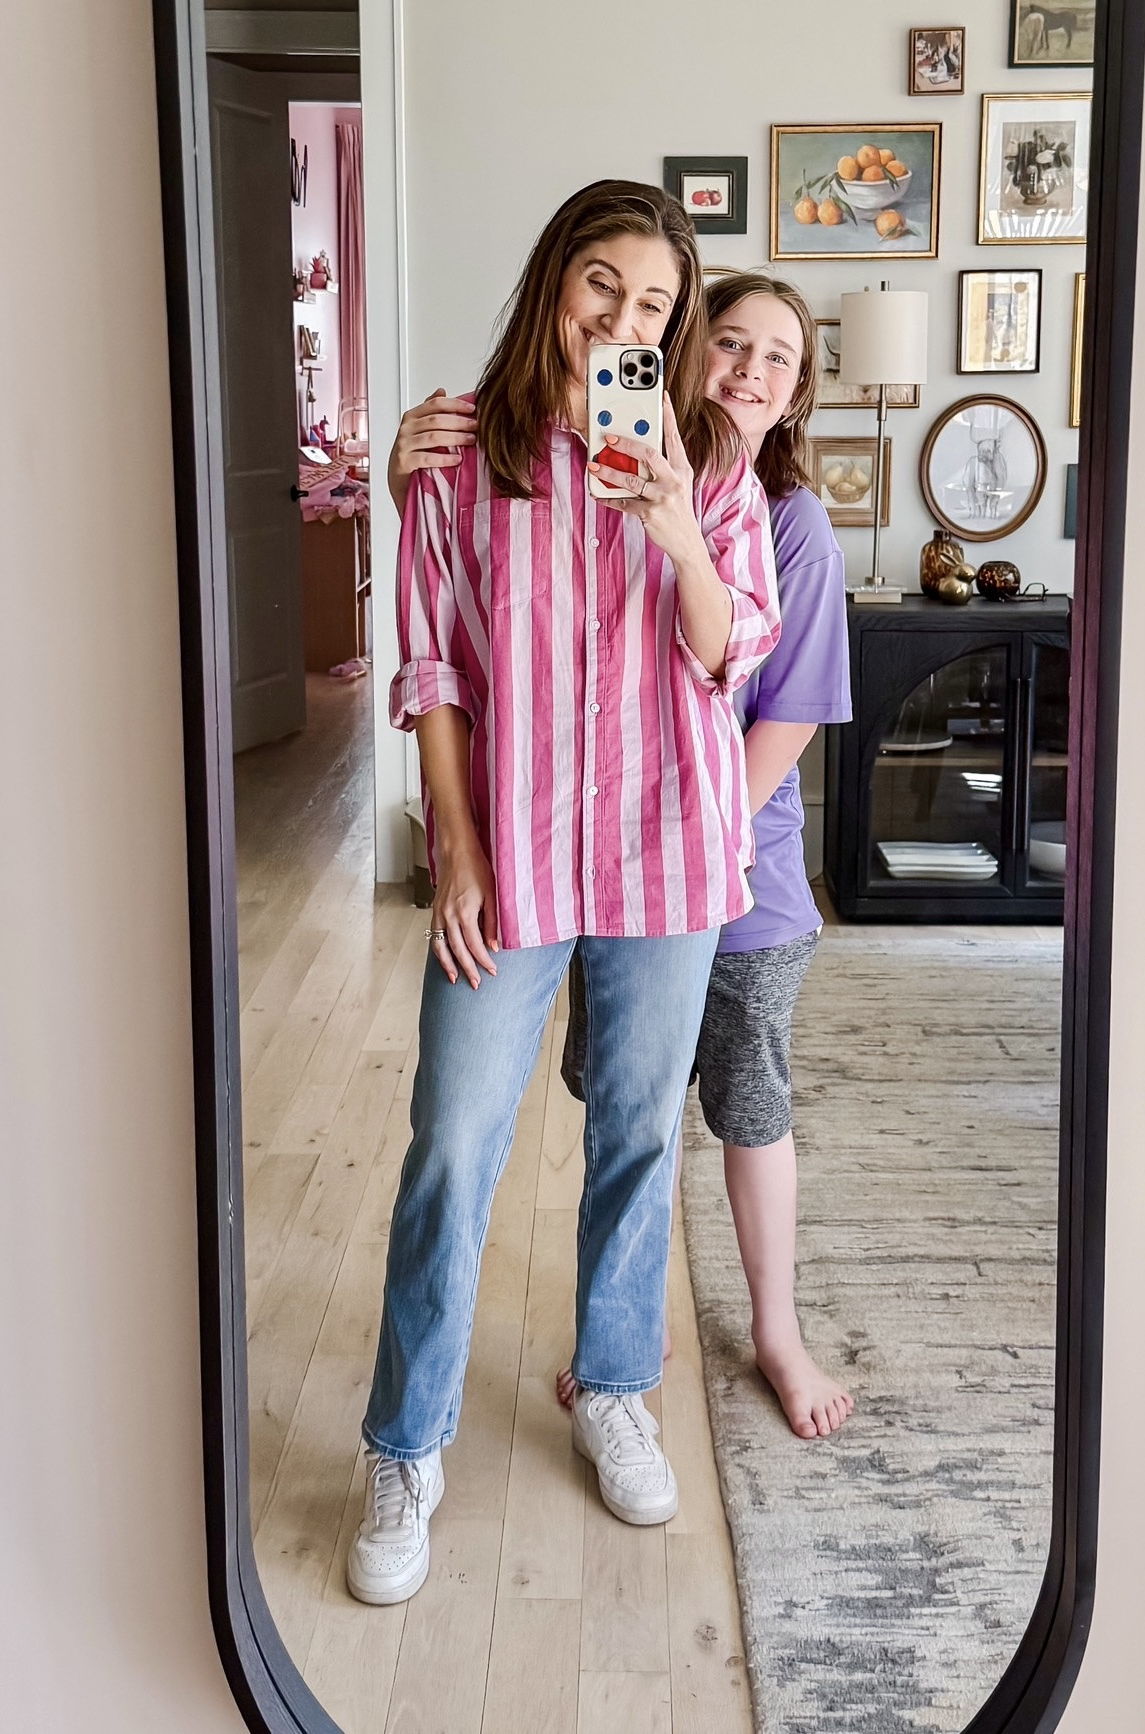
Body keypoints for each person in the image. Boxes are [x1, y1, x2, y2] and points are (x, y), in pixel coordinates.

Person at [349, 184, 779, 1608]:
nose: (623, 320)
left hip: (669, 852)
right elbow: (433, 673)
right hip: (513, 858)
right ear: (553, 282)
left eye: (655, 305)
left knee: (641, 1137)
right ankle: (406, 1444)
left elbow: (735, 665)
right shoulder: (457, 458)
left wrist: (678, 534)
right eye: (602, 286)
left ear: (680, 325)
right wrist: (454, 845)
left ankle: (612, 1386)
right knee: (453, 1141)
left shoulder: (710, 459)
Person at [392, 272, 854, 1442]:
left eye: (778, 361)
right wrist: (414, 494)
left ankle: (716, 1349)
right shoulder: (503, 459)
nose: (746, 371)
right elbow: (450, 648)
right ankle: (542, 1379)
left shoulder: (754, 506)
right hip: (556, 858)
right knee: (548, 1116)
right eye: (727, 345)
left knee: (720, 1109)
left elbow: (753, 687)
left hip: (719, 864)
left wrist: (682, 535)